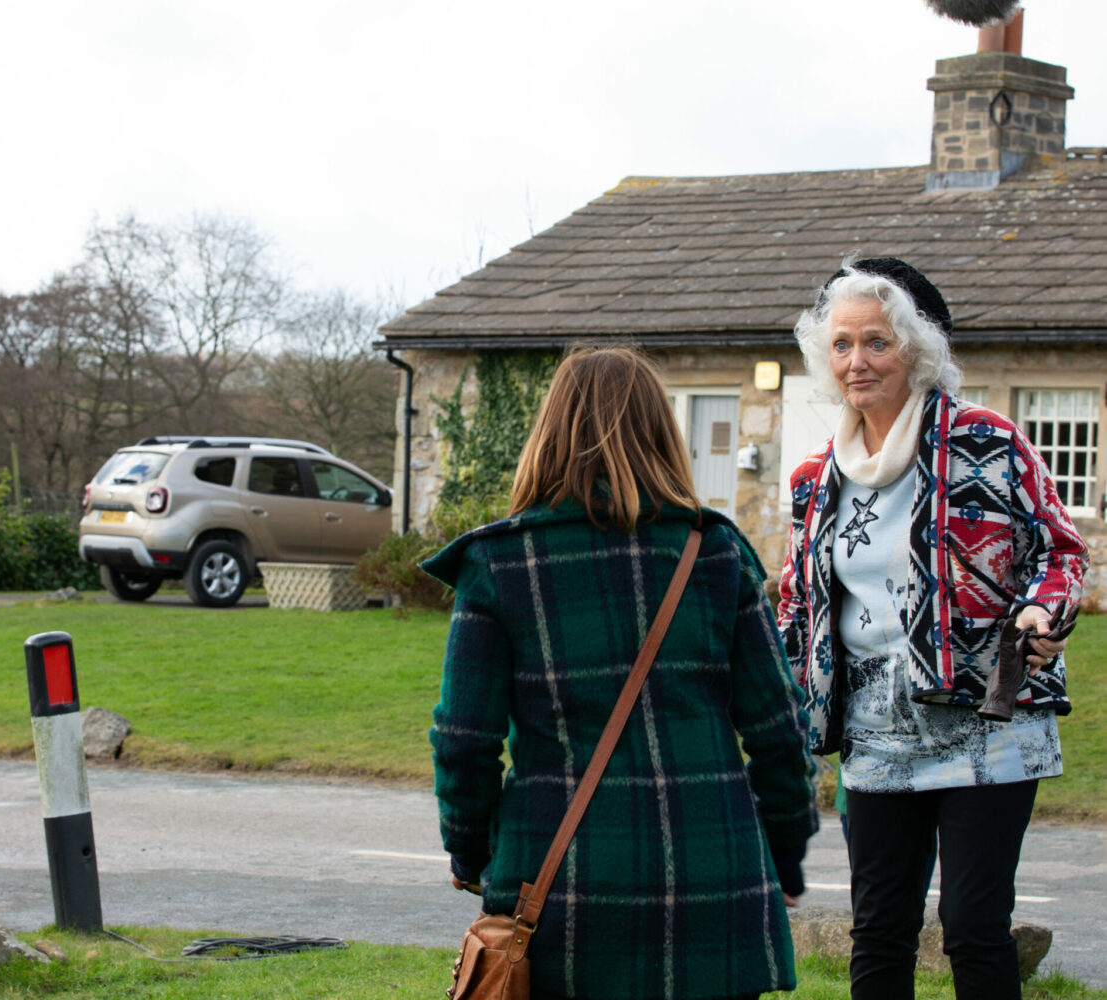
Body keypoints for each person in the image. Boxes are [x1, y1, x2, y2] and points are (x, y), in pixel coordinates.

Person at [424, 347, 818, 1000]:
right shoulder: (717, 553)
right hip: (712, 875)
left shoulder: (499, 564)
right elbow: (780, 731)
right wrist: (786, 853)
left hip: (555, 886)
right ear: (664, 434)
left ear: (548, 434)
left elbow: (463, 741)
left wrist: (469, 852)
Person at [777, 257, 1085, 1000]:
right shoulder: (815, 480)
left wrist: (1046, 609)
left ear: (916, 348)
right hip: (875, 732)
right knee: (879, 929)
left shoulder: (988, 441)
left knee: (975, 927)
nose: (858, 361)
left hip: (987, 724)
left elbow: (1060, 549)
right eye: (843, 345)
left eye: (876, 342)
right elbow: (798, 604)